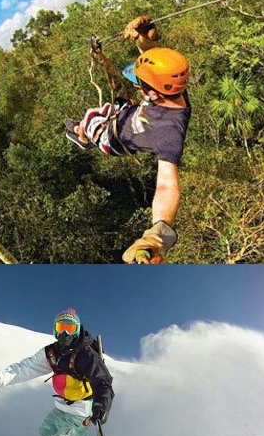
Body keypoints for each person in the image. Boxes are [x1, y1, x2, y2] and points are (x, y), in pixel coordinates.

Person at [64, 15, 192, 264]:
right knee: (101, 110)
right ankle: (87, 126)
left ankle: (81, 136)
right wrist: (144, 39)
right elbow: (156, 63)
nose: (137, 87)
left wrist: (157, 236)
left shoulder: (169, 135)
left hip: (111, 139)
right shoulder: (173, 89)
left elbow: (167, 185)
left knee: (90, 120)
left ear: (153, 94)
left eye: (139, 86)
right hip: (123, 115)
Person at [0, 308, 114, 436]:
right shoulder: (52, 353)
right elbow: (25, 368)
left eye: (70, 328)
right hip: (60, 407)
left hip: (80, 412)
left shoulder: (86, 355)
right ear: (55, 330)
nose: (65, 333)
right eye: (61, 327)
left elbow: (103, 382)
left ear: (77, 330)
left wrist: (101, 406)